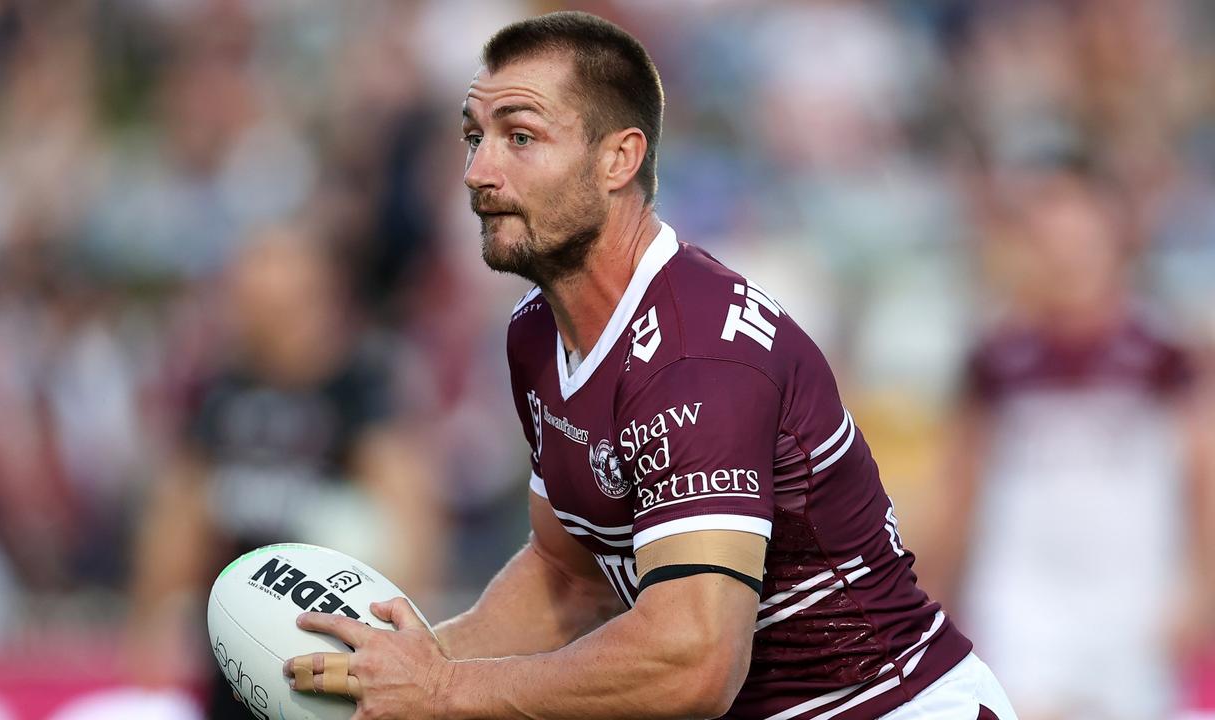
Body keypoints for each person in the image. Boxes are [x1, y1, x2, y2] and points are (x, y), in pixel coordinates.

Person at [284, 11, 1016, 719]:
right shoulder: (537, 335)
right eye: (475, 138)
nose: (478, 172)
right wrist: (408, 669)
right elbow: (570, 579)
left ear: (619, 159)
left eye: (521, 137)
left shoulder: (697, 358)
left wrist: (445, 695)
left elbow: (695, 663)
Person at [923, 164, 1215, 720]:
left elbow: (1204, 475)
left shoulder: (1164, 353)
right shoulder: (996, 359)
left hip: (1133, 594)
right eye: (1048, 240)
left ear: (1115, 241)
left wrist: (1202, 587)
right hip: (1024, 593)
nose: (1066, 257)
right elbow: (961, 480)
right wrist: (934, 585)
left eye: (1081, 240)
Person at [127, 226, 443, 718]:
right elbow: (178, 517)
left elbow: (409, 517)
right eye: (248, 303)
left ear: (316, 300)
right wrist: (153, 620)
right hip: (235, 653)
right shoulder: (222, 394)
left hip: (330, 657)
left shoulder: (357, 389)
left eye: (275, 306)